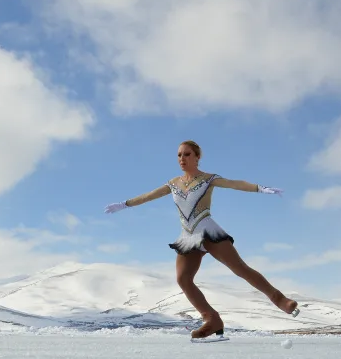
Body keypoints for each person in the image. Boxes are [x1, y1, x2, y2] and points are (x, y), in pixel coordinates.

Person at [104, 140, 299, 339]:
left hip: (208, 231)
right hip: (188, 237)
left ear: (197, 157)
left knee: (239, 268)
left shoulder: (208, 179)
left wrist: (260, 188)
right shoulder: (173, 183)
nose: (182, 159)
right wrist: (124, 204)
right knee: (183, 279)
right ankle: (211, 319)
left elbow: (234, 184)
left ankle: (280, 300)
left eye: (187, 154)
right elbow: (148, 196)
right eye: (179, 155)